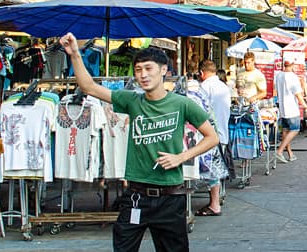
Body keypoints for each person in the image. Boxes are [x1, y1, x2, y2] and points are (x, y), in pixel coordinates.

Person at [59, 33, 218, 252]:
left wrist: (181, 157)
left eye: (148, 68)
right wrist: (75, 54)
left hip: (170, 198)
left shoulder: (182, 104)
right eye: (138, 70)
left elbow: (212, 137)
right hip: (136, 196)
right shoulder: (131, 100)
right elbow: (89, 88)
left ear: (164, 70)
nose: (143, 75)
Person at [195, 60, 231, 217]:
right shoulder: (224, 86)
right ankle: (217, 199)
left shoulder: (204, 87)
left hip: (208, 135)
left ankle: (214, 203)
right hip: (222, 132)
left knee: (211, 170)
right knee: (216, 167)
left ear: (201, 73)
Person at [274, 60, 307, 164]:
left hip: (283, 109)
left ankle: (290, 154)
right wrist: (306, 107)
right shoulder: (293, 77)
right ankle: (279, 151)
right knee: (295, 129)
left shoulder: (279, 75)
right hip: (292, 109)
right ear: (292, 65)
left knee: (285, 130)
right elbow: (298, 95)